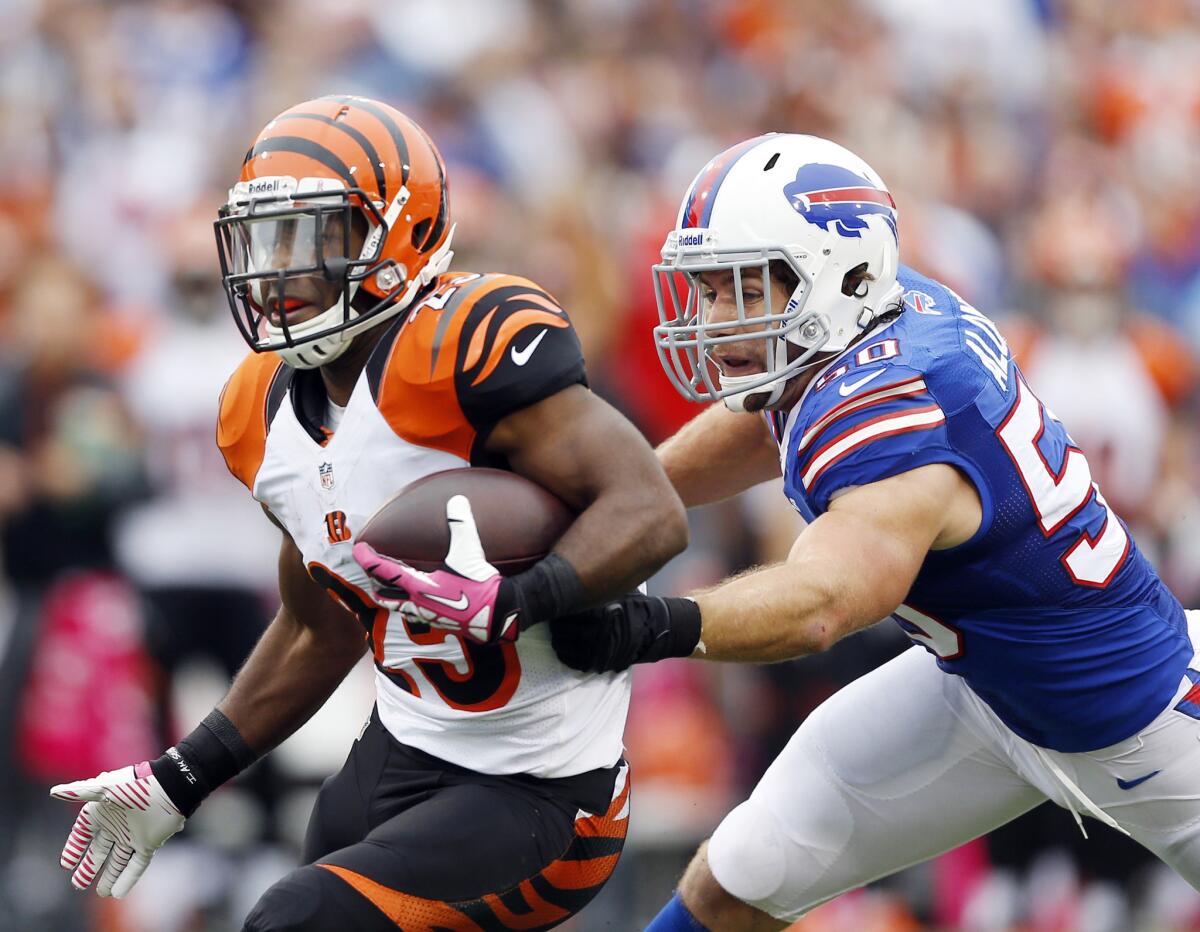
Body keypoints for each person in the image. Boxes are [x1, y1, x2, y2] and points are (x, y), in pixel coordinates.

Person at [49, 95, 688, 931]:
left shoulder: (463, 345)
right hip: (404, 751)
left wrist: (518, 602)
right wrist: (180, 778)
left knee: (295, 917)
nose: (279, 269)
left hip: (545, 788)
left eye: (310, 237)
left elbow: (651, 510)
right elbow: (319, 625)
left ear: (398, 235)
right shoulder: (259, 412)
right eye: (267, 240)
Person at [549, 133, 1200, 931]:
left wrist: (646, 627)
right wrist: (627, 495)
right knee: (741, 878)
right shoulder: (870, 310)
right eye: (710, 288)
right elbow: (771, 420)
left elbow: (826, 599)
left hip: (1136, 718)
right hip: (984, 690)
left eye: (740, 289)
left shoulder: (898, 416)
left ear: (842, 274)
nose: (713, 316)